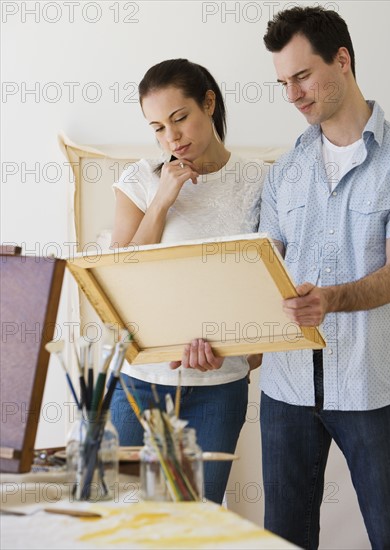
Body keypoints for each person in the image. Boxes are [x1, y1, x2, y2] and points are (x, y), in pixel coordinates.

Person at [258, 6, 390, 549]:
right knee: (284, 541)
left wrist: (330, 300)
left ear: (343, 60)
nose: (294, 94)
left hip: (370, 387)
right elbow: (262, 277)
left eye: (302, 76)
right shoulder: (285, 170)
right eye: (284, 82)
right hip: (286, 389)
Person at [110, 58, 267, 504]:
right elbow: (118, 277)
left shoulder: (260, 180)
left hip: (218, 388)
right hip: (138, 381)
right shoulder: (140, 181)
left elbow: (270, 287)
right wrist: (161, 202)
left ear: (209, 104)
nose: (172, 138)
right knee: (121, 524)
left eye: (180, 118)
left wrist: (241, 354)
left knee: (194, 524)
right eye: (158, 127)